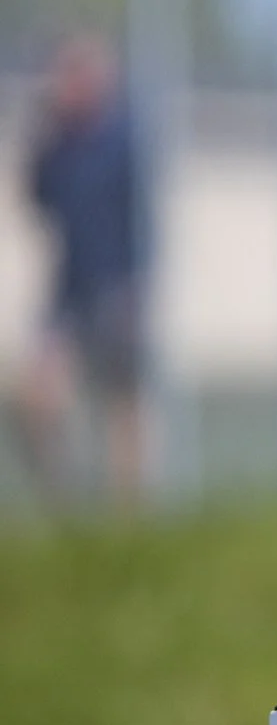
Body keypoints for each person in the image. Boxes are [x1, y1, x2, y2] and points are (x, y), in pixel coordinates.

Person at [17, 33, 152, 500]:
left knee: (122, 404)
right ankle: (67, 497)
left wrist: (137, 285)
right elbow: (35, 198)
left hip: (116, 285)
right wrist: (46, 128)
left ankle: (129, 514)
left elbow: (144, 218)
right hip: (68, 290)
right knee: (37, 395)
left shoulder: (123, 139)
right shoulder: (59, 143)